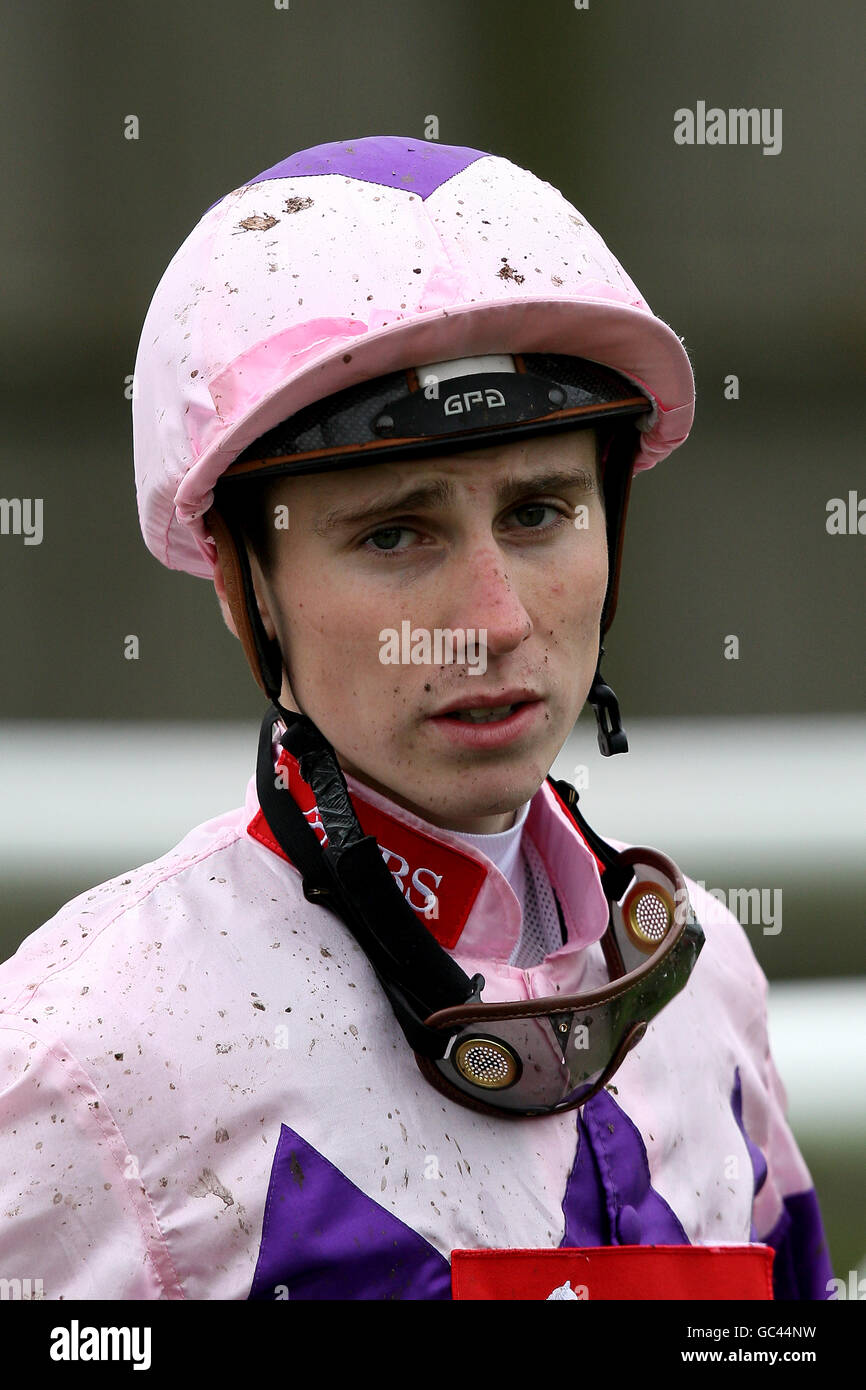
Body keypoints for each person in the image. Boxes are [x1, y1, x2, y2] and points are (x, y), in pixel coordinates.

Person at [0, 136, 832, 1300]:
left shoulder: (703, 977)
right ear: (246, 590)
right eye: (395, 533)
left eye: (540, 511)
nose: (491, 621)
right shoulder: (78, 1055)